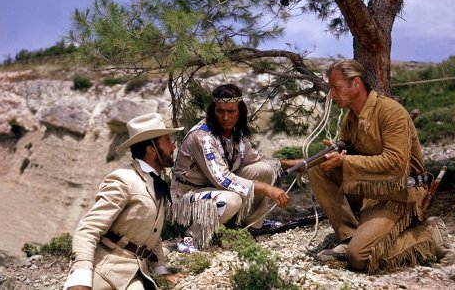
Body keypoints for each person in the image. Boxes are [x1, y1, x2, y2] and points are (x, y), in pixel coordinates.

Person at [307, 59, 455, 274]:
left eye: (335, 88)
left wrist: (345, 161)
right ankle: (349, 236)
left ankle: (428, 236)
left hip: (401, 194)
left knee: (358, 258)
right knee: (318, 167)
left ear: (356, 83)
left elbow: (395, 165)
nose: (331, 94)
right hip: (373, 190)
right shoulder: (351, 118)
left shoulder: (390, 112)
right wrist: (338, 154)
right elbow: (355, 154)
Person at [170, 83, 302, 252]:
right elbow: (222, 178)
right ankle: (189, 239)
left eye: (231, 111)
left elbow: (257, 160)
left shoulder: (235, 134)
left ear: (240, 112)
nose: (225, 117)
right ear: (213, 111)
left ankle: (253, 224)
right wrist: (267, 188)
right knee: (231, 199)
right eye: (220, 111)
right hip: (188, 197)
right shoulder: (202, 137)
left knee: (263, 170)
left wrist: (296, 163)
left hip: (214, 190)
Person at [63, 113, 184, 290]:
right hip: (105, 270)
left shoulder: (158, 181)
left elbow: (152, 234)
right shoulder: (123, 179)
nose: (173, 146)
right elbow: (88, 229)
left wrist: (161, 271)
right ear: (152, 149)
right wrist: (80, 278)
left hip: (137, 273)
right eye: (167, 140)